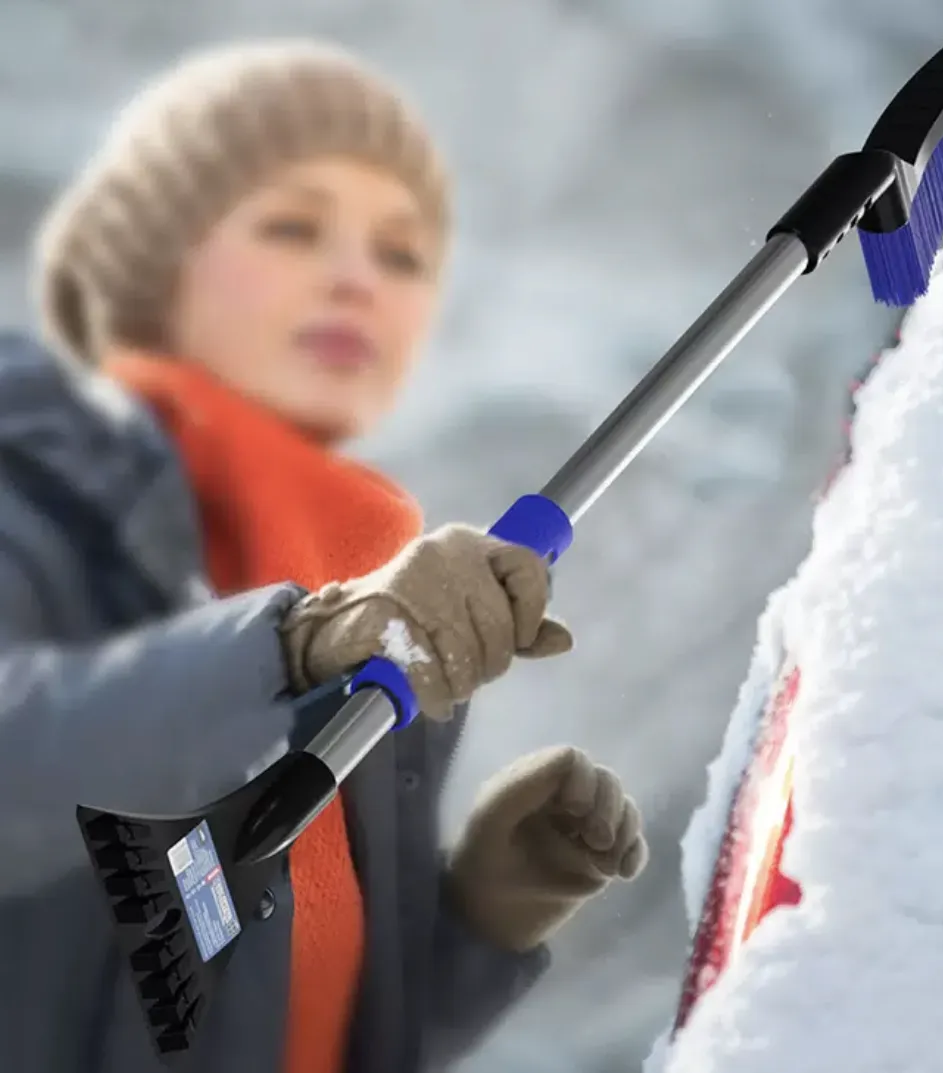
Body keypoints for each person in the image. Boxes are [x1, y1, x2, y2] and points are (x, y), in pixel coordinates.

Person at [0, 39, 648, 1073]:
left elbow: (263, 1014)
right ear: (150, 258)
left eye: (401, 254)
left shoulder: (376, 587)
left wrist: (482, 914)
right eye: (293, 227)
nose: (356, 280)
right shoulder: (30, 479)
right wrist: (296, 645)